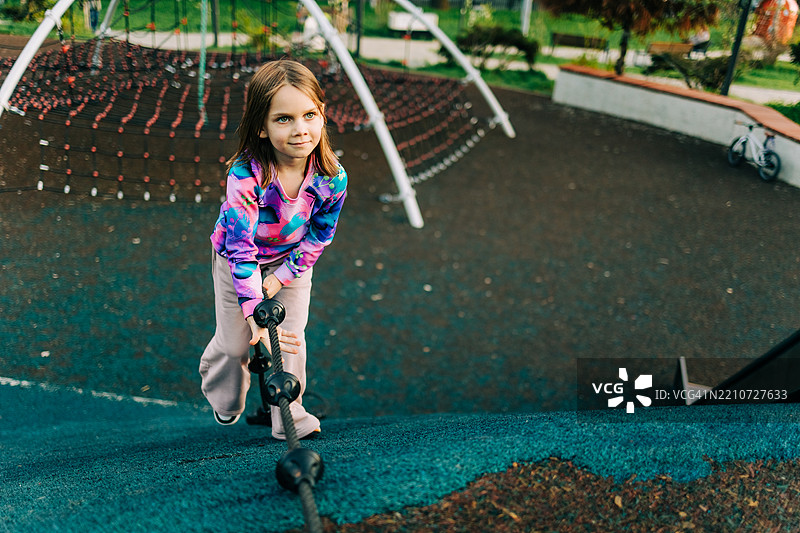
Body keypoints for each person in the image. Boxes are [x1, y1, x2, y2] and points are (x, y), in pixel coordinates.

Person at [199, 60, 347, 441]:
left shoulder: (331, 178)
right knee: (238, 345)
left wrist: (281, 278)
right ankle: (224, 394)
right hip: (236, 260)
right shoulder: (246, 176)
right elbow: (241, 249)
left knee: (290, 339)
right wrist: (253, 309)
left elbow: (319, 236)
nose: (300, 129)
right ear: (261, 127)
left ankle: (289, 415)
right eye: (284, 119)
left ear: (322, 114)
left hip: (291, 261)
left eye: (309, 115)